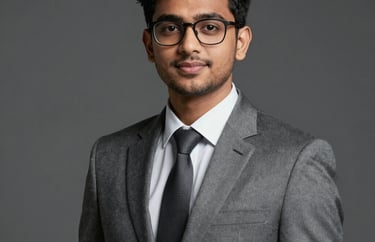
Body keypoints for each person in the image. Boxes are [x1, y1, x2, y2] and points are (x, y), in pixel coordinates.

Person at [79, 0, 344, 241]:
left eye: (209, 27)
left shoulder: (295, 161)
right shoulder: (109, 157)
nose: (188, 45)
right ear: (150, 45)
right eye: (170, 28)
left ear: (241, 42)